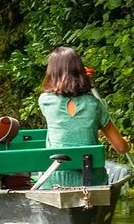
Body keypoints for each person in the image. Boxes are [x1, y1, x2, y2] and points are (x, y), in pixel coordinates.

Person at [37, 46, 110, 187]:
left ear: (52, 72)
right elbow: (121, 147)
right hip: (93, 182)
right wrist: (88, 83)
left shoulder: (45, 101)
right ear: (80, 70)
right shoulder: (95, 105)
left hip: (54, 181)